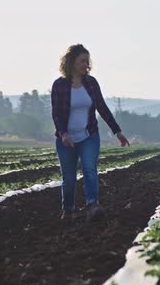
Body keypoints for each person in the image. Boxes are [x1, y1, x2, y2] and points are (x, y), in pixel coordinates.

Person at [51, 44, 130, 222]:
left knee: (89, 169)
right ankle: (68, 210)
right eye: (82, 61)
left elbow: (102, 108)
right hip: (66, 140)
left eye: (88, 61)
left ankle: (92, 205)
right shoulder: (59, 85)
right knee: (69, 179)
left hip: (89, 136)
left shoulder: (91, 83)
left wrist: (117, 132)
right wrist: (63, 134)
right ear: (71, 62)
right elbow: (56, 113)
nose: (86, 64)